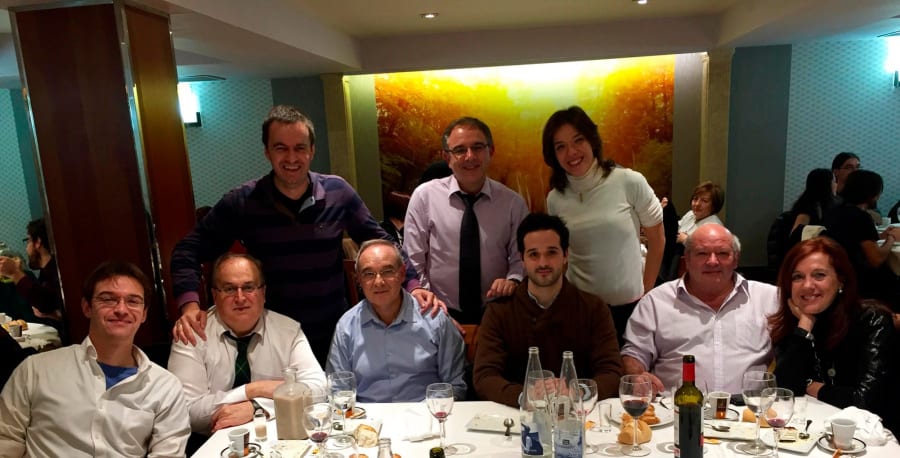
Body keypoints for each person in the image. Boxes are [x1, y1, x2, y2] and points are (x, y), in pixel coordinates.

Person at [171, 105, 442, 365]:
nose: (291, 158)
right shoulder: (243, 201)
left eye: (299, 148)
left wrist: (413, 285)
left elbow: (384, 242)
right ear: (267, 152)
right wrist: (189, 306)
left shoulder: (338, 192)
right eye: (281, 148)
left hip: (334, 333)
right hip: (271, 337)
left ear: (312, 150)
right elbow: (187, 250)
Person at [0, 261, 190, 456]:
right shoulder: (35, 370)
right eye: (108, 299)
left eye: (133, 301)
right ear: (87, 307)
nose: (122, 309)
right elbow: (6, 439)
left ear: (144, 314)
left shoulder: (165, 387)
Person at [542, 106, 664, 344]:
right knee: (585, 379)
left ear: (592, 140)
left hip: (630, 307)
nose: (572, 152)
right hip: (581, 311)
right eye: (561, 147)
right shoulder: (555, 199)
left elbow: (658, 240)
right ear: (553, 155)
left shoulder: (628, 181)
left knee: (630, 377)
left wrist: (646, 296)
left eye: (578, 141)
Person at [473, 213, 622, 407]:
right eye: (534, 254)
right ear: (522, 259)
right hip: (517, 418)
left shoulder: (593, 308)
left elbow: (611, 371)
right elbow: (485, 376)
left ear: (565, 255)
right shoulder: (499, 311)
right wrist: (524, 395)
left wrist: (577, 391)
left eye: (551, 252)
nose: (543, 263)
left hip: (579, 417)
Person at [168, 253, 326, 434]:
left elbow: (319, 390)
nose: (240, 298)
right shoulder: (191, 333)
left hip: (277, 435)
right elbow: (186, 411)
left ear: (263, 293)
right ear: (214, 294)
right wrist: (252, 390)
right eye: (229, 289)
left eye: (249, 287)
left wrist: (258, 407)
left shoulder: (288, 331)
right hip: (211, 441)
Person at [621, 224, 778, 393]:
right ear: (686, 259)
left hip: (750, 413)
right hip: (675, 411)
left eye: (722, 253)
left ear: (736, 259)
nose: (712, 261)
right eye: (702, 253)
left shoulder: (770, 299)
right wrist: (637, 375)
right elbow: (634, 353)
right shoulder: (656, 302)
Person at [404, 117, 529, 324]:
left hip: (498, 313)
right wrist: (430, 307)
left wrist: (513, 280)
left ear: (491, 151)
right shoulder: (425, 197)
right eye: (460, 150)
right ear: (447, 157)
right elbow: (413, 260)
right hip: (436, 311)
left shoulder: (513, 204)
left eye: (478, 147)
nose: (470, 156)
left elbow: (522, 258)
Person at [770, 237, 895, 426]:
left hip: (870, 436)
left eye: (819, 275)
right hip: (816, 429)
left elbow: (864, 401)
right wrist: (805, 324)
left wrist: (811, 386)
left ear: (841, 281)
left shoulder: (872, 320)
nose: (807, 285)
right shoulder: (795, 323)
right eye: (797, 277)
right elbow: (785, 390)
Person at [327, 240, 466, 401]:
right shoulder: (346, 327)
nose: (379, 282)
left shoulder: (433, 319)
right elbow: (338, 390)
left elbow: (454, 386)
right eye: (368, 274)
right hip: (367, 421)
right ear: (359, 280)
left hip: (425, 418)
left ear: (401, 274)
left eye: (387, 271)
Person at [823, 170, 900, 309]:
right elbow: (876, 259)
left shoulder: (835, 212)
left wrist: (882, 235)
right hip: (860, 280)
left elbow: (856, 237)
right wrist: (891, 238)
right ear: (871, 194)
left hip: (839, 272)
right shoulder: (861, 217)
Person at [0, 219, 65, 331]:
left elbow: (45, 303)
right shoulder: (44, 274)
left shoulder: (57, 273)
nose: (26, 248)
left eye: (28, 240)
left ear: (38, 242)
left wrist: (15, 273)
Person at [789, 168, 835, 239]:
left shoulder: (822, 205)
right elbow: (796, 235)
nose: (836, 185)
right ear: (826, 185)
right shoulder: (808, 208)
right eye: (834, 181)